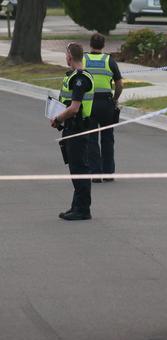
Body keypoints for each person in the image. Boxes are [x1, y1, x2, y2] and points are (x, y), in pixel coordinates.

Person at [50, 43, 95, 221]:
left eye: (65, 54)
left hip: (78, 128)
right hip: (71, 128)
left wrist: (59, 118)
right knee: (75, 168)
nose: (65, 58)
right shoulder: (74, 76)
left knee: (80, 169)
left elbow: (75, 108)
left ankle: (83, 209)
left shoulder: (80, 79)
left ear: (70, 56)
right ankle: (77, 206)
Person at [83, 33, 123, 183]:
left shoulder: (84, 59)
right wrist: (114, 99)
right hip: (106, 103)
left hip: (89, 103)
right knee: (107, 138)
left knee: (91, 138)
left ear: (90, 44)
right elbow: (119, 85)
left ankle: (95, 173)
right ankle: (108, 173)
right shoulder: (109, 60)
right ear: (103, 45)